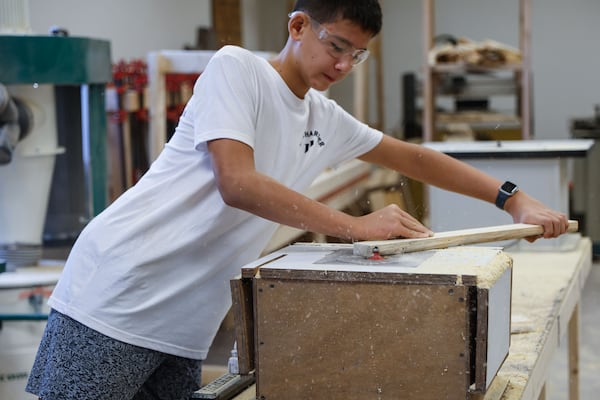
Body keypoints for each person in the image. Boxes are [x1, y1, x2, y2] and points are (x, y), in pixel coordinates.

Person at [26, 1, 569, 399]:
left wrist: (512, 199)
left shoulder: (321, 116)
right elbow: (237, 183)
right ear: (298, 25)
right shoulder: (238, 69)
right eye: (336, 46)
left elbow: (414, 158)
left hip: (184, 323)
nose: (342, 65)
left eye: (357, 55)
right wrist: (356, 227)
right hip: (117, 294)